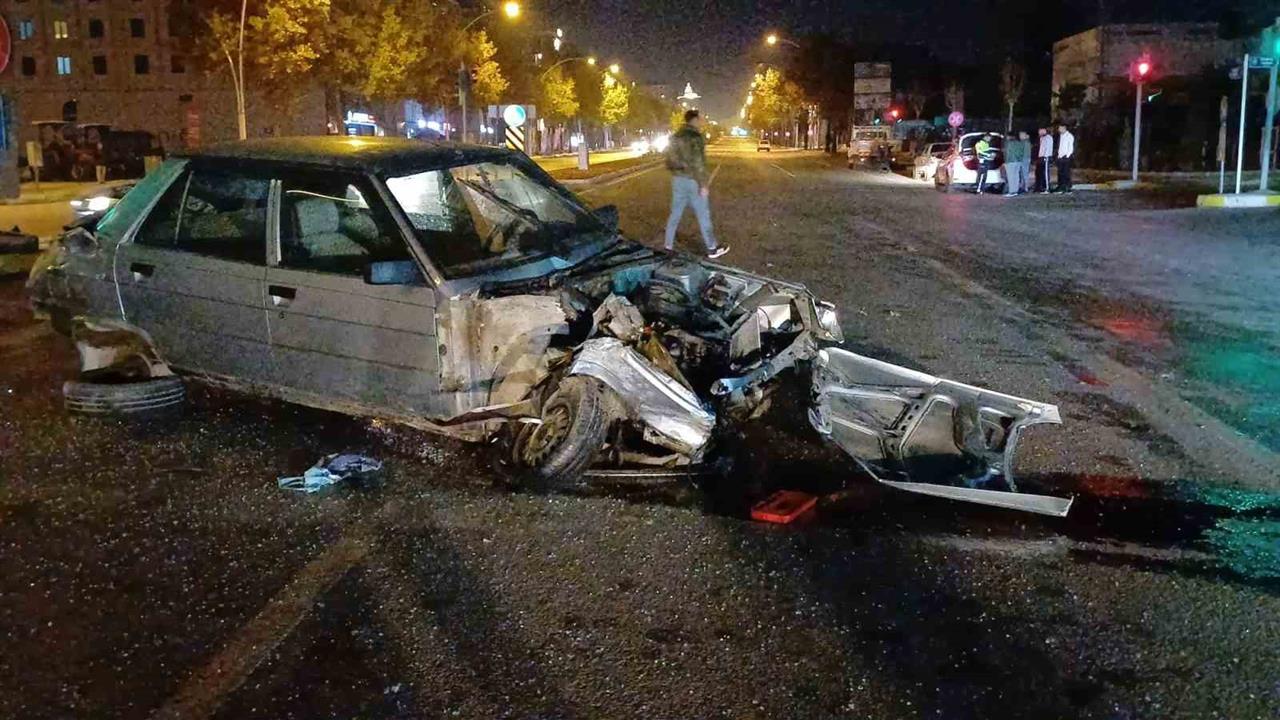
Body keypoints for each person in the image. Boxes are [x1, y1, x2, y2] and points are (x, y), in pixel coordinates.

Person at [664, 109, 728, 259]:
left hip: (678, 180)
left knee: (675, 214)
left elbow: (667, 159)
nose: (702, 120)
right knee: (703, 215)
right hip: (693, 181)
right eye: (701, 118)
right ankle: (712, 248)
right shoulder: (695, 137)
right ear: (694, 120)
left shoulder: (675, 136)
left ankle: (667, 245)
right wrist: (703, 184)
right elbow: (699, 163)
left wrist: (677, 171)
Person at [1002, 131, 1027, 196]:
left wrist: (1006, 162)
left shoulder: (1009, 143)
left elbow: (1008, 153)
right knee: (1016, 177)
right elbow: (1022, 152)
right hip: (1018, 161)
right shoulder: (1019, 143)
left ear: (1009, 136)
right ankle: (1015, 190)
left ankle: (1011, 191)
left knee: (1011, 177)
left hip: (1010, 161)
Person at [1055, 123, 1075, 193]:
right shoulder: (1061, 136)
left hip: (1066, 157)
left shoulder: (1069, 136)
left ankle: (1067, 187)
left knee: (1066, 173)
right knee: (1060, 173)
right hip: (1060, 157)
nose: (1059, 129)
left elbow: (1070, 147)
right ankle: (1061, 186)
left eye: (1060, 128)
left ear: (1064, 128)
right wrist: (1058, 156)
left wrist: (1067, 155)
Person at [1036, 128, 1054, 193]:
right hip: (1041, 157)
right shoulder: (1041, 138)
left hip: (1046, 157)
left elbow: (1048, 148)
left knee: (1046, 173)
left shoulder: (1048, 138)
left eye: (1041, 131)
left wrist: (1046, 156)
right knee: (1042, 173)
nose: (1039, 133)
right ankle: (1042, 187)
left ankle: (1047, 188)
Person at [1018, 131, 1033, 195]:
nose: (1020, 136)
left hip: (1024, 159)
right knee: (1022, 173)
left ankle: (1025, 187)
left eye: (1021, 135)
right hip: (1024, 159)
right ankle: (1023, 186)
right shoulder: (1024, 142)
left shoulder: (1025, 142)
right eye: (1020, 135)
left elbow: (1024, 152)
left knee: (1024, 173)